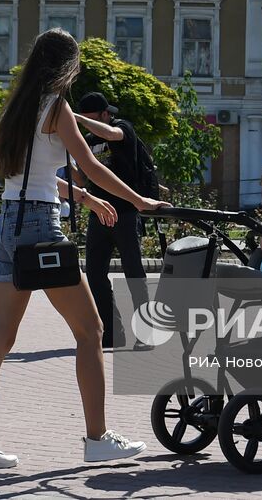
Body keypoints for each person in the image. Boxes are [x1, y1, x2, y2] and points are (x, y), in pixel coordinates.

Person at [0, 28, 168, 470]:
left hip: (9, 224)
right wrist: (139, 200)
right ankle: (97, 438)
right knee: (91, 332)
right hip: (38, 227)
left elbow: (33, 176)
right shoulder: (56, 105)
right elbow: (90, 165)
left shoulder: (17, 107)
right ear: (67, 66)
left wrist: (87, 200)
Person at [71, 91, 166, 350]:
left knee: (134, 273)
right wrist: (66, 155)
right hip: (99, 212)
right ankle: (114, 333)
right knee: (95, 274)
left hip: (125, 212)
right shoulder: (88, 140)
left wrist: (75, 118)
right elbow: (81, 179)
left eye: (91, 119)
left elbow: (110, 135)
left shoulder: (122, 127)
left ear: (104, 115)